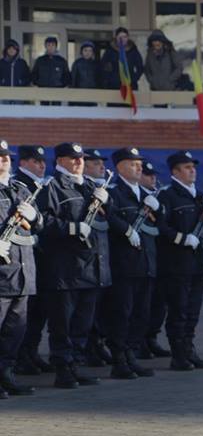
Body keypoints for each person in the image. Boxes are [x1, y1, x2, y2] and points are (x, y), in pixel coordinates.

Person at [36, 142, 111, 389]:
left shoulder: (89, 186)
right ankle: (63, 369)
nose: (79, 162)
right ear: (59, 161)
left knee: (82, 324)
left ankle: (75, 366)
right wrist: (72, 228)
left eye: (81, 158)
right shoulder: (52, 187)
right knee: (63, 325)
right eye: (73, 158)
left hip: (89, 269)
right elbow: (42, 222)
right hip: (64, 271)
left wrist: (105, 203)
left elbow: (105, 220)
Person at [157, 150, 203, 371]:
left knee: (193, 311)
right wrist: (181, 238)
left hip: (199, 263)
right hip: (177, 264)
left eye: (194, 167)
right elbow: (161, 227)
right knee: (179, 311)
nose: (193, 170)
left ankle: (189, 350)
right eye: (187, 167)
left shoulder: (199, 196)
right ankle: (178, 355)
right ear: (175, 172)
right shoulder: (167, 196)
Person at [103, 147, 157, 379]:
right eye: (133, 163)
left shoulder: (146, 195)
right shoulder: (114, 194)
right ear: (120, 167)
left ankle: (131, 356)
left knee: (141, 314)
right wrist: (126, 229)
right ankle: (119, 360)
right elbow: (109, 216)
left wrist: (159, 208)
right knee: (121, 314)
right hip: (124, 265)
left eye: (139, 163)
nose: (139, 167)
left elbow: (159, 224)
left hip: (145, 264)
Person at [0, 139, 44, 398]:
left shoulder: (19, 189)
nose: (5, 160)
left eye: (7, 156)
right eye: (0, 156)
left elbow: (40, 226)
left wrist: (33, 216)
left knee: (15, 332)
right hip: (2, 274)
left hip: (23, 272)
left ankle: (6, 376)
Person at [13, 146, 54, 376]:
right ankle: (20, 358)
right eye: (36, 161)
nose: (42, 165)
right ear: (24, 163)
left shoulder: (41, 185)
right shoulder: (19, 184)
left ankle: (31, 353)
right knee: (24, 314)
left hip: (40, 259)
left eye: (43, 161)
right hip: (23, 257)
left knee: (37, 313)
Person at [81, 149, 113, 367]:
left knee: (101, 310)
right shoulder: (83, 189)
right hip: (84, 261)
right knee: (84, 314)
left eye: (102, 163)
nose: (101, 166)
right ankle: (87, 350)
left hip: (103, 261)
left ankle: (97, 345)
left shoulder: (105, 190)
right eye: (95, 163)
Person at [137, 161, 170, 359]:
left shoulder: (159, 197)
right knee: (142, 304)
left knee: (159, 303)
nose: (153, 178)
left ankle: (151, 338)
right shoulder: (138, 197)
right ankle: (139, 341)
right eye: (148, 175)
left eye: (153, 175)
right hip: (141, 258)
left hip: (160, 258)